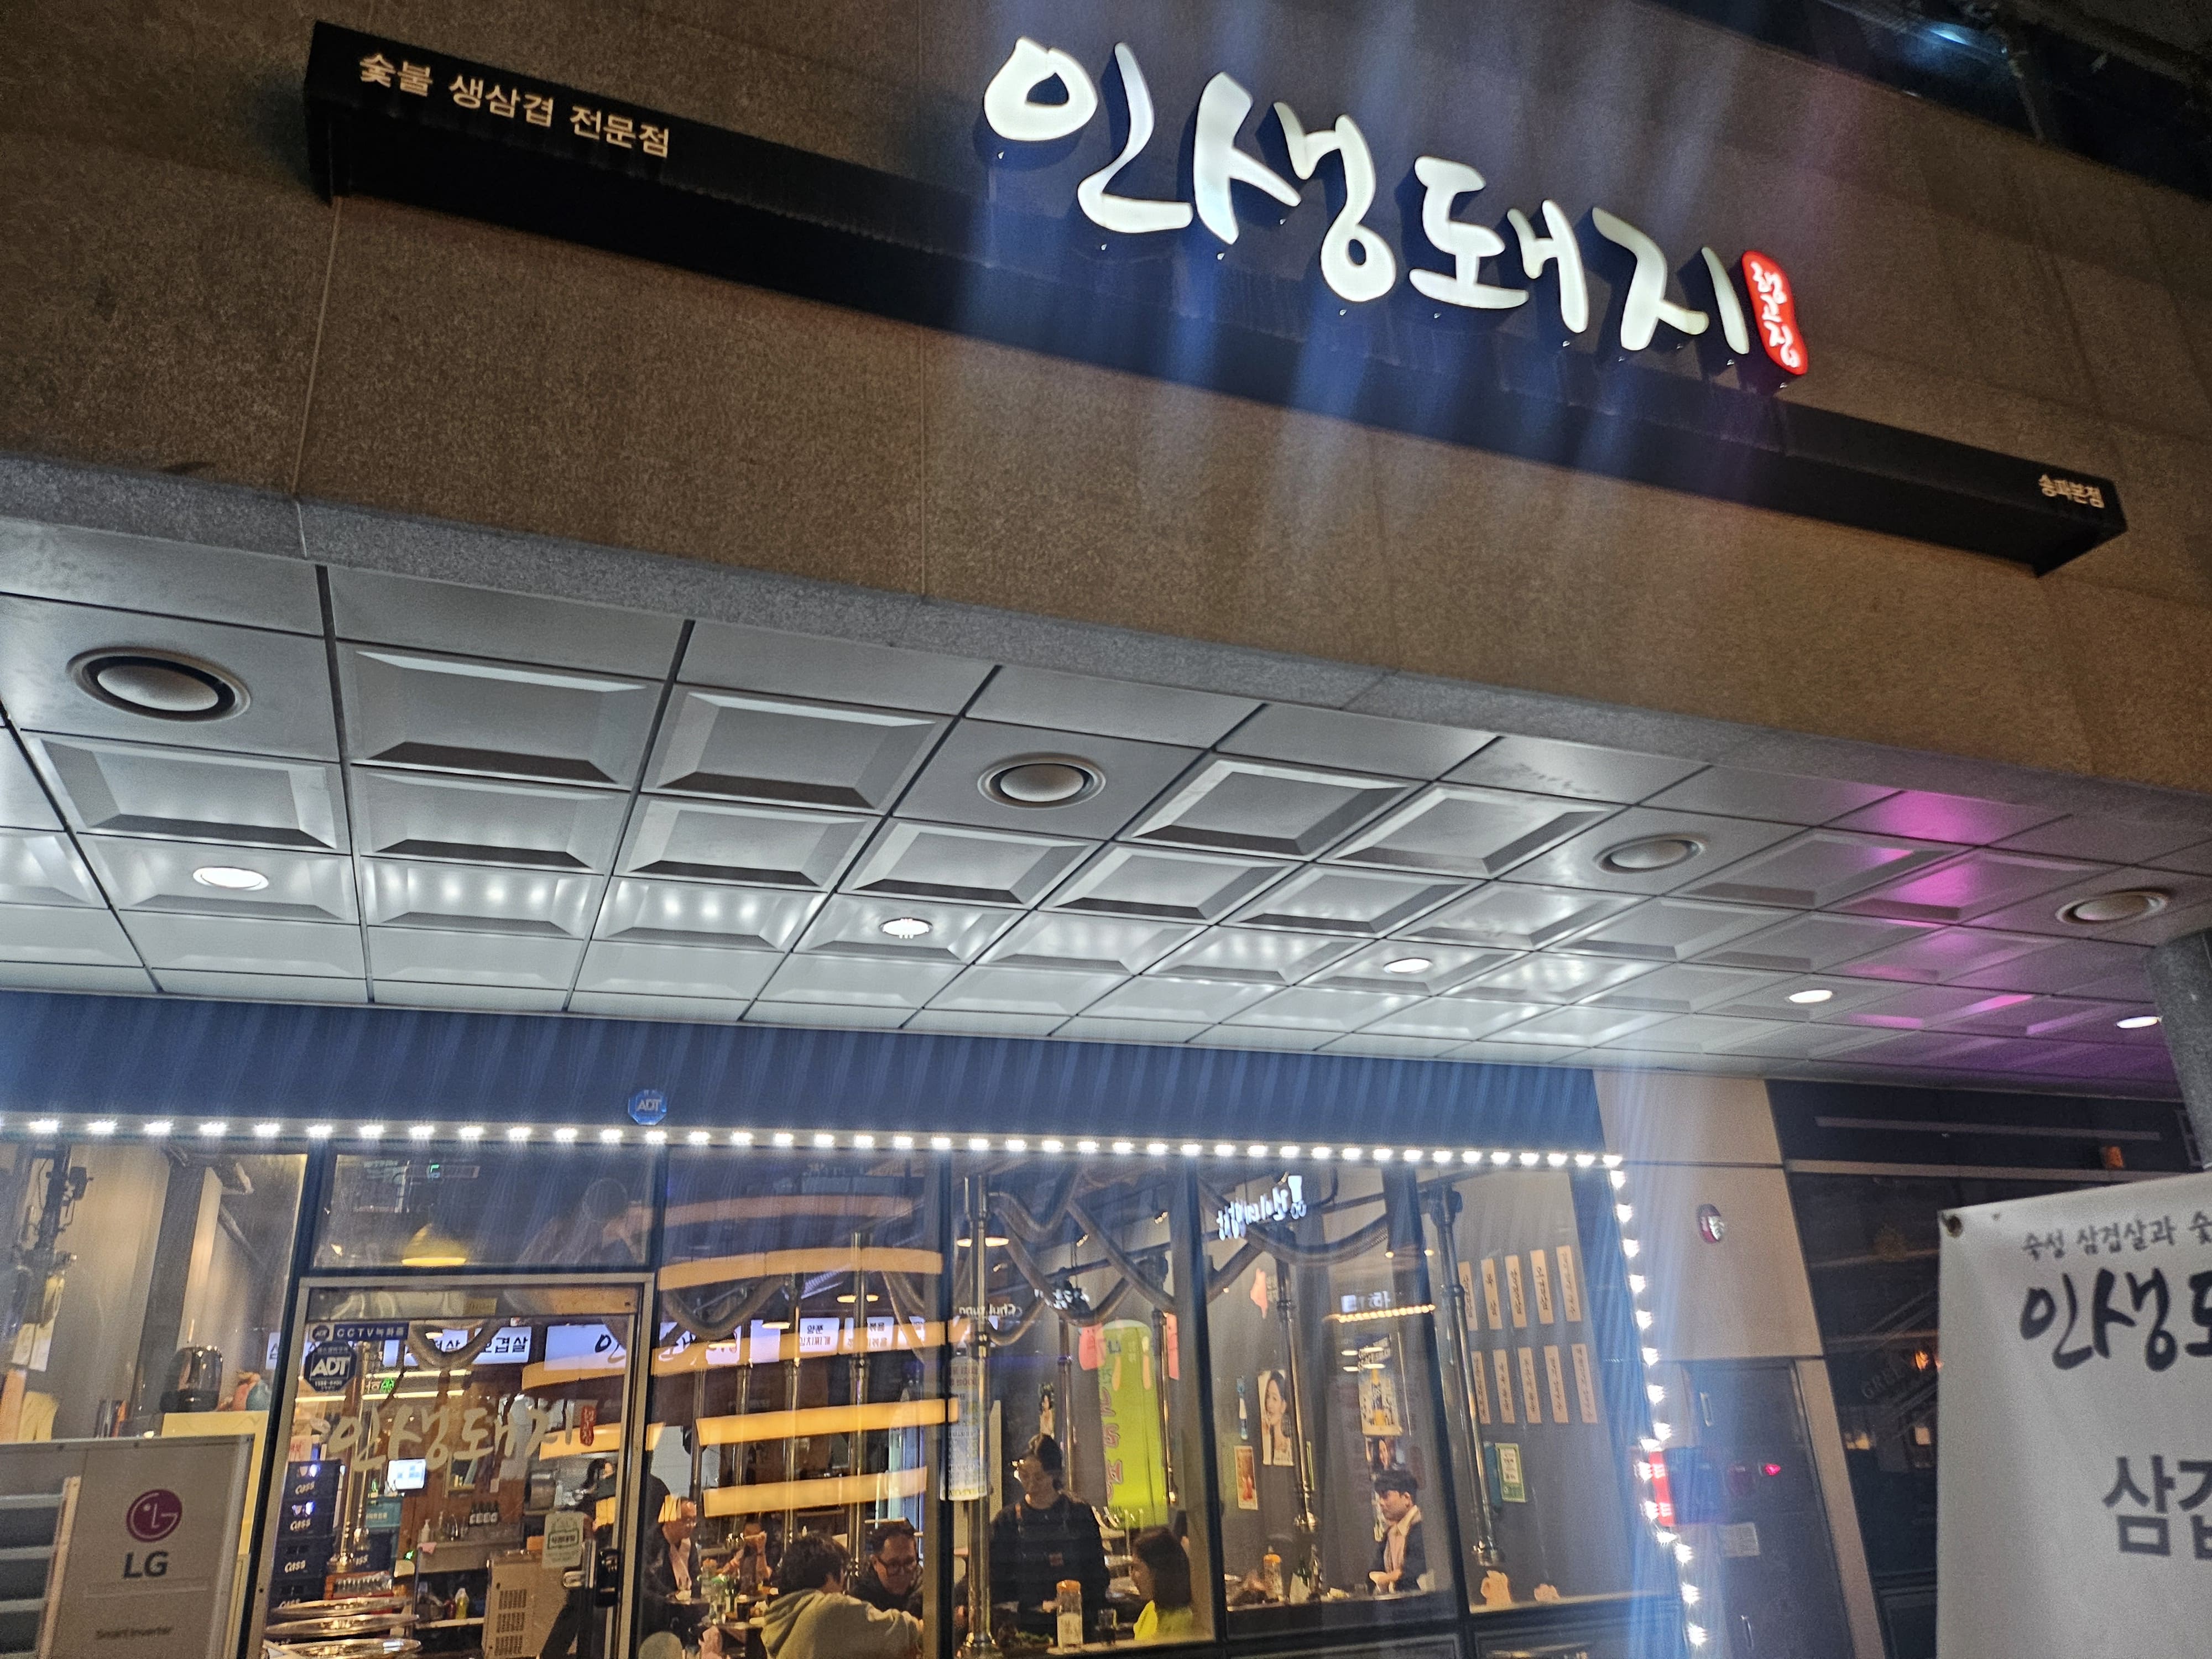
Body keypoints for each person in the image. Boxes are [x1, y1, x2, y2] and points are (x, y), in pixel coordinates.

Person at [988, 1433, 1109, 1641]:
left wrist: (1076, 1599)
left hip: (1077, 1624)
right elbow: (997, 1581)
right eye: (1024, 1476)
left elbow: (1097, 1573)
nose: (1030, 1485)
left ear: (1055, 1474)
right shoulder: (1006, 1521)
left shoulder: (1079, 1514)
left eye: (1039, 1477)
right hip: (1026, 1631)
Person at [760, 1531, 921, 1658]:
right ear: (830, 1575)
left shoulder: (780, 1619)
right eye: (845, 1573)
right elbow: (905, 1632)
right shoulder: (829, 1610)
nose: (844, 1585)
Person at [640, 1496, 710, 1647]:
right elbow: (646, 1581)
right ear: (670, 1519)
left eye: (694, 1520)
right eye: (685, 1520)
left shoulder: (689, 1544)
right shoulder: (652, 1542)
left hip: (682, 1613)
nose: (691, 1526)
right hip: (654, 1616)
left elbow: (695, 1577)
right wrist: (669, 1597)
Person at [1128, 1527, 1197, 1644]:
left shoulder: (1182, 1619)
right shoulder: (1150, 1609)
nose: (1132, 1576)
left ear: (1158, 1571)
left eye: (1137, 1568)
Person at [1368, 1468, 1427, 1594]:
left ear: (1406, 1498)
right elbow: (1375, 1570)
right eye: (1379, 1497)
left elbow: (1415, 1570)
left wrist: (1386, 1579)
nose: (1381, 1503)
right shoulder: (1389, 1533)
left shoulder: (1423, 1529)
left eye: (1386, 1496)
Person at [852, 1519, 924, 1616]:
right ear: (875, 1563)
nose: (902, 1573)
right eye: (894, 1565)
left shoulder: (929, 1593)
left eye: (909, 1563)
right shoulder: (860, 1604)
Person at [729, 1519, 775, 1597]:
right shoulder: (743, 1552)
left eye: (755, 1534)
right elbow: (731, 1566)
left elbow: (765, 1576)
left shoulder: (770, 1552)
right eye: (748, 1533)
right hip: (743, 1596)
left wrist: (761, 1550)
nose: (750, 1538)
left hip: (762, 1598)